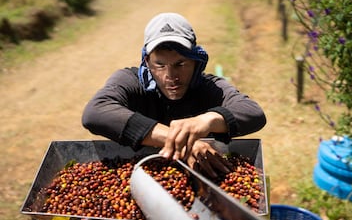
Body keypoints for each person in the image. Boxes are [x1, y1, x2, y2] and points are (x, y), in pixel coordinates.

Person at [82, 12, 266, 178]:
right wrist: (180, 141)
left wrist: (207, 120)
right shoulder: (130, 81)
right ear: (147, 62)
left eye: (180, 64)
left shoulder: (210, 87)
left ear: (196, 61)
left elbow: (252, 112)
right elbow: (96, 112)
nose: (170, 76)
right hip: (142, 178)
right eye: (160, 65)